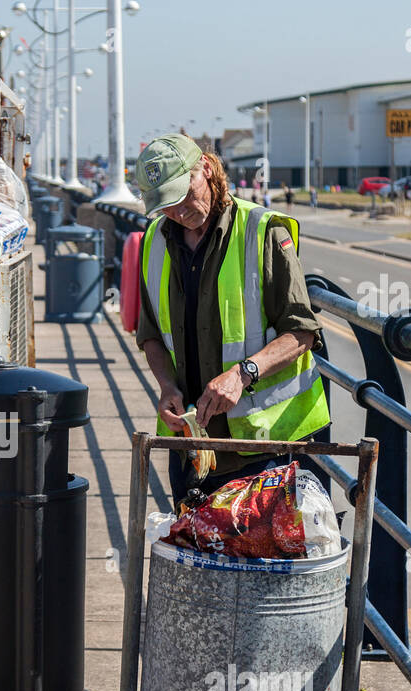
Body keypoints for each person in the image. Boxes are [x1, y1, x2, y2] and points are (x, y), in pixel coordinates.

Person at [132, 134, 331, 508]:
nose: (177, 210)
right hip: (192, 448)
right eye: (165, 204)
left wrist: (243, 374)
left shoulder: (263, 230)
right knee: (196, 560)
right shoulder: (154, 241)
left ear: (206, 169)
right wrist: (166, 386)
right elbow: (151, 336)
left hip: (264, 446)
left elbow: (301, 331)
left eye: (182, 193)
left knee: (260, 563)